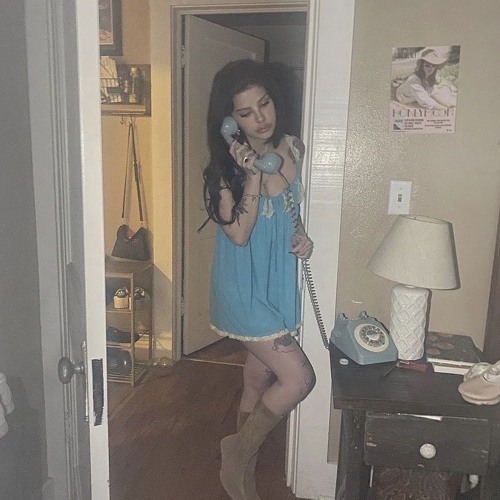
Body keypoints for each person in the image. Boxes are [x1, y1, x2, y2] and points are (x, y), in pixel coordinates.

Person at [202, 59, 316, 500]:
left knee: (258, 376)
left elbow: (289, 212)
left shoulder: (295, 148)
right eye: (246, 113)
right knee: (299, 379)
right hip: (242, 289)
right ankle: (237, 453)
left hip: (275, 282)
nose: (261, 118)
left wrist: (301, 236)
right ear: (230, 121)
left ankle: (241, 471)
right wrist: (251, 175)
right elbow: (239, 234)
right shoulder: (224, 172)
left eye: (264, 104)